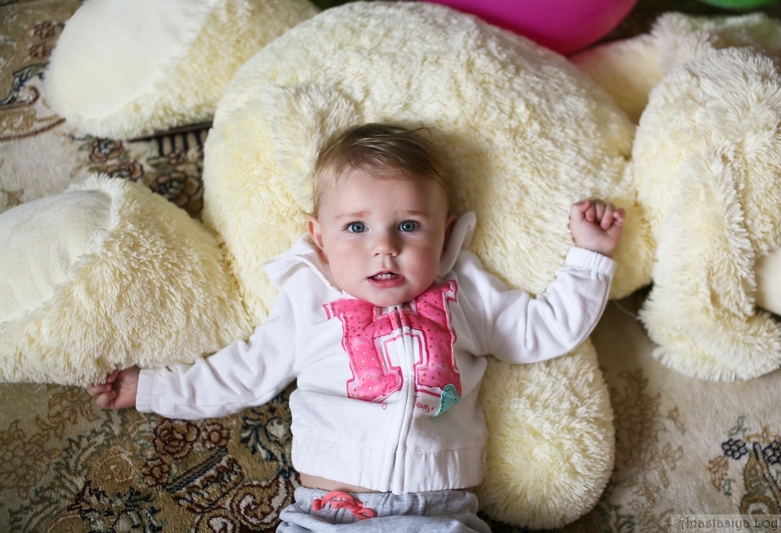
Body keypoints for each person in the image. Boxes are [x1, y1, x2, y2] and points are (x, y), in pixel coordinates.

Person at [88, 123, 624, 532]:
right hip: (326, 513)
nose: (384, 246)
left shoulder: (465, 295)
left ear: (445, 233)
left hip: (438, 513)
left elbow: (543, 330)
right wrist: (149, 388)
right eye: (356, 227)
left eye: (409, 226)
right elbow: (242, 372)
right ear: (319, 237)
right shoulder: (308, 302)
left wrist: (590, 259)